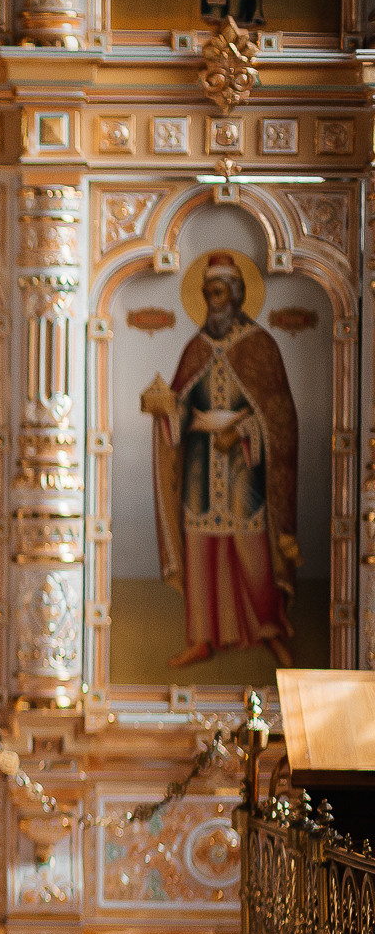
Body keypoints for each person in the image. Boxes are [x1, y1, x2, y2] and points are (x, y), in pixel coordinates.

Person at [142, 251, 298, 669]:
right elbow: (182, 403)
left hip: (245, 465)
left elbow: (279, 415)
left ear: (237, 294)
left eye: (221, 292)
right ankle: (201, 638)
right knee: (200, 548)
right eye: (209, 293)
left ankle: (269, 628)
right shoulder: (196, 348)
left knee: (252, 547)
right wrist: (167, 411)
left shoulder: (261, 345)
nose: (214, 301)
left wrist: (244, 430)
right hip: (199, 463)